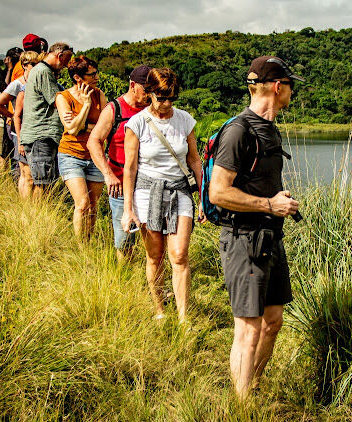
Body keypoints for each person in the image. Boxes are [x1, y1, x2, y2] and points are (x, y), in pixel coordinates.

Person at [208, 55, 303, 399]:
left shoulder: (269, 128)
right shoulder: (239, 131)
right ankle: (242, 406)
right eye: (289, 85)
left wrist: (277, 202)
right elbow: (218, 191)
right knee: (247, 330)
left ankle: (252, 386)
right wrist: (269, 204)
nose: (291, 91)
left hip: (270, 236)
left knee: (273, 320)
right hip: (243, 240)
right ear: (278, 87)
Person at [121, 68, 203, 323]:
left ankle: (183, 318)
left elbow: (194, 160)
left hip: (179, 191)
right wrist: (128, 210)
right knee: (155, 256)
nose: (166, 104)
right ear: (149, 94)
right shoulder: (137, 124)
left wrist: (205, 199)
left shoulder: (185, 120)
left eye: (171, 98)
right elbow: (130, 167)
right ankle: (159, 311)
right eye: (160, 97)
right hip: (147, 193)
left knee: (179, 255)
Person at [87, 65, 152, 261]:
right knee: (125, 240)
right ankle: (124, 281)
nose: (150, 94)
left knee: (153, 239)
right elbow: (94, 141)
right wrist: (108, 175)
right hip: (121, 182)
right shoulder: (114, 109)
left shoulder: (152, 109)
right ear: (133, 85)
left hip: (148, 182)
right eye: (146, 89)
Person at [55, 56, 107, 238]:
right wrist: (85, 105)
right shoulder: (63, 98)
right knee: (82, 203)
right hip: (71, 155)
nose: (97, 78)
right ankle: (80, 248)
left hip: (95, 156)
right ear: (78, 77)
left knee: (93, 206)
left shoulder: (99, 95)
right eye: (92, 75)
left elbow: (106, 126)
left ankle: (88, 242)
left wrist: (84, 126)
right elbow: (71, 129)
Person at [21, 41, 73, 197]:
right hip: (42, 135)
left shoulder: (41, 71)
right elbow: (55, 100)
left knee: (44, 182)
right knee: (43, 184)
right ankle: (38, 217)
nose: (66, 65)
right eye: (66, 60)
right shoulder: (44, 72)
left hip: (40, 135)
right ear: (59, 55)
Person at [0, 50, 42, 197]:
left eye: (38, 64)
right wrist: (12, 115)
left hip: (34, 130)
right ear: (25, 65)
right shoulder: (18, 84)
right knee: (25, 172)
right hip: (20, 131)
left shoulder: (39, 82)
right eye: (33, 64)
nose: (36, 67)